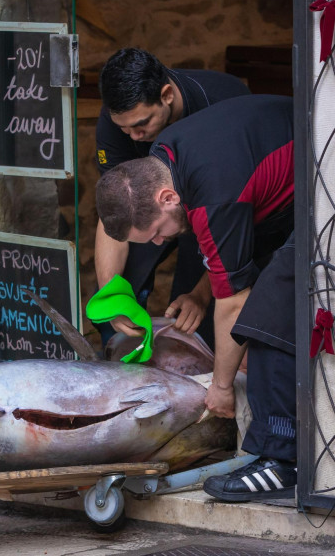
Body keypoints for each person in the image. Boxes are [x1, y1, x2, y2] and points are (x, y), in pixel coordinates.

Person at [96, 94, 297, 502]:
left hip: (323, 178)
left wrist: (221, 387)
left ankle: (282, 460)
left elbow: (236, 301)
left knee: (267, 310)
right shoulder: (164, 157)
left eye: (154, 232)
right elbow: (230, 250)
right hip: (291, 189)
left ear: (166, 200)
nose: (158, 242)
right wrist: (202, 294)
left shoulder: (211, 195)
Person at [95, 48, 250, 347]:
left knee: (194, 310)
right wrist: (112, 296)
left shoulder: (222, 102)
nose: (133, 137)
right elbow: (115, 212)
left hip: (218, 208)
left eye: (141, 126)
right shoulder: (121, 121)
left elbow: (239, 227)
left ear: (166, 95)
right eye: (123, 129)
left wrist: (199, 295)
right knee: (119, 295)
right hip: (150, 208)